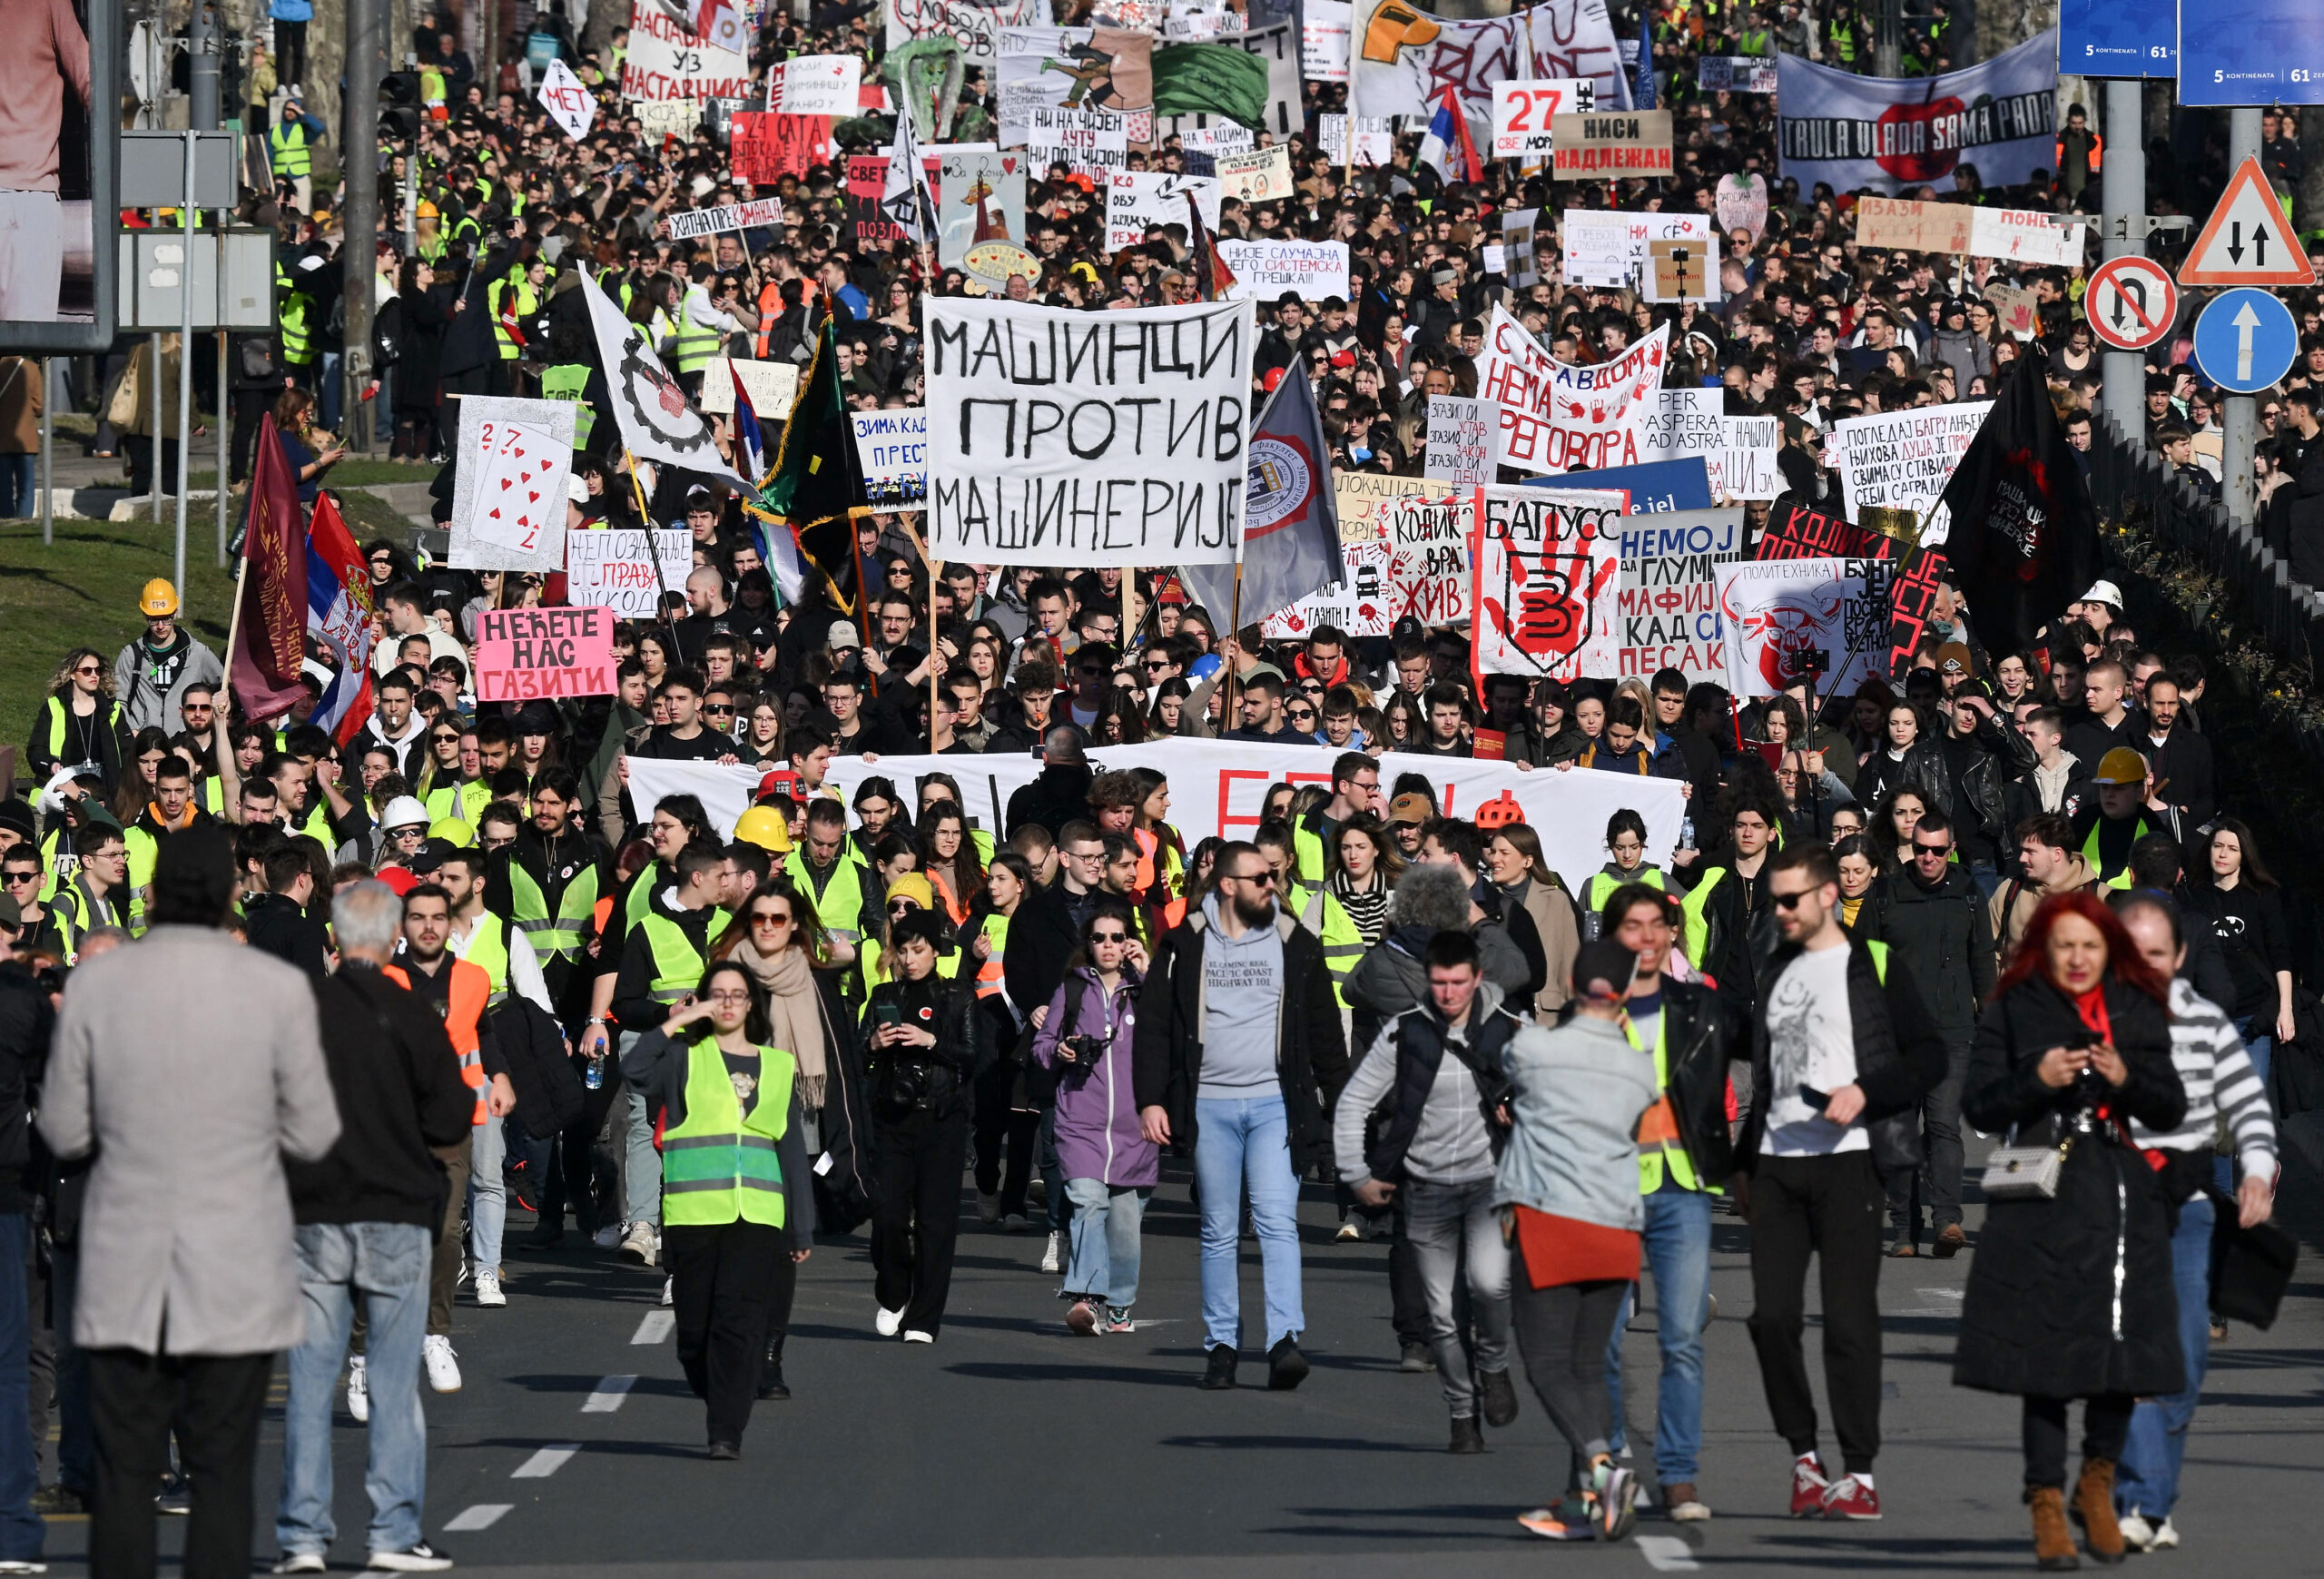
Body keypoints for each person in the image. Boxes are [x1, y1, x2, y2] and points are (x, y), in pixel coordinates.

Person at [41, 827, 341, 1579]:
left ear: (154, 893)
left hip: (126, 1259)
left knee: (123, 1471)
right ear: (230, 893)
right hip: (236, 1259)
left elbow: (65, 1126)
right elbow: (314, 1129)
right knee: (221, 1470)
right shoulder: (273, 989)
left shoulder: (101, 985)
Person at [1955, 892, 2186, 1569]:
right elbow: (1979, 1101)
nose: (2079, 958)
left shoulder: (2135, 1006)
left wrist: (2127, 1075)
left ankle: (2098, 1480)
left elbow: (2170, 1102)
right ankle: (2046, 1500)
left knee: (2123, 1351)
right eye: (2065, 946)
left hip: (2121, 1197)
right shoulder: (2014, 1006)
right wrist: (2037, 1077)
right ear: (2044, 950)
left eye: (2091, 945)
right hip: (2042, 1195)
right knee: (2047, 1359)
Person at [1738, 842, 1946, 1523]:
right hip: (1776, 1166)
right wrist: (1742, 1164)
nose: (1780, 910)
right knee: (1771, 1319)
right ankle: (1804, 1460)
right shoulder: (1773, 969)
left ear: (1828, 895)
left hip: (1850, 1163)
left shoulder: (1874, 963)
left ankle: (1857, 1471)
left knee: (1848, 1324)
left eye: (1791, 898)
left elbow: (1930, 1055)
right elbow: (1767, 1077)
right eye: (1775, 898)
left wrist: (1865, 1090)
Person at [274, 881, 474, 1574]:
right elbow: (451, 1116)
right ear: (392, 938)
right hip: (393, 1210)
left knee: (310, 1378)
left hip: (315, 1211)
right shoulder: (413, 1012)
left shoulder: (299, 1010)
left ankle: (301, 1534)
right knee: (393, 1380)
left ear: (332, 938)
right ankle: (392, 1530)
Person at [1134, 840, 1346, 1391]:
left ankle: (1283, 1343)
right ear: (1228, 885)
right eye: (1260, 878)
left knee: (1278, 1223)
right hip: (1209, 1108)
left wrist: (1340, 1100)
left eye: (1272, 876)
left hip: (1277, 1105)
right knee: (1219, 1230)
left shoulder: (1294, 942)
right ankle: (1222, 1345)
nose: (1271, 885)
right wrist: (1151, 1099)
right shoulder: (1184, 944)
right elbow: (1155, 1025)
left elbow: (1323, 1028)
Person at [2110, 893, 2277, 1554]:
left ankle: (2153, 1500)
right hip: (2114, 1210)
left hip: (2188, 1211)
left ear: (2179, 957)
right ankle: (2140, 1501)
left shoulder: (2207, 1024)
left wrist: (2259, 1169)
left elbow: (2249, 1108)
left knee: (2183, 1363)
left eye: (2158, 953)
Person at [1497, 939, 1659, 1544]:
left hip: (1550, 1217)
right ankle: (1593, 1501)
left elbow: (1507, 1062)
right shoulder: (1639, 1067)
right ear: (1624, 993)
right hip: (1616, 1225)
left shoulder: (1536, 1047)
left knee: (1544, 1362)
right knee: (1589, 1364)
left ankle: (1603, 1466)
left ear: (1569, 979)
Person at [621, 961, 812, 1456]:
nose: (727, 1003)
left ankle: (725, 1430)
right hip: (694, 1214)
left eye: (737, 994)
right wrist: (677, 1021)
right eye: (717, 994)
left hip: (758, 1215)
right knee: (695, 1334)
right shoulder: (686, 1058)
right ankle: (719, 1391)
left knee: (739, 1320)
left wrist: (801, 1227)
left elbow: (791, 1150)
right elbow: (634, 1069)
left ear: (752, 1005)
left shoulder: (776, 1065)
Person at [1598, 882, 1745, 1524]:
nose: (1649, 938)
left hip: (1683, 1189)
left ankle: (1679, 1476)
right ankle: (1606, 1464)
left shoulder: (1700, 1004)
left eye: (1659, 925)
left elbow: (1746, 1069)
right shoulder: (1592, 1012)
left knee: (1681, 1339)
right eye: (1634, 926)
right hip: (1605, 1191)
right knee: (1599, 1342)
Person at [1860, 809, 1994, 1258]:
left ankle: (1948, 1219)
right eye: (1921, 849)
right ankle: (1903, 1229)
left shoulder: (1968, 895)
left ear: (1951, 850)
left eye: (1938, 850)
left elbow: (1982, 962)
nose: (1929, 858)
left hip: (1953, 1031)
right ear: (1910, 849)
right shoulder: (1885, 895)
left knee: (1942, 1126)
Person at [861, 910, 990, 1341]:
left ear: (935, 950)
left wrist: (931, 1041)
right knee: (889, 1217)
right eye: (903, 950)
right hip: (892, 1120)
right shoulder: (882, 994)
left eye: (918, 950)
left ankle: (924, 1318)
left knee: (937, 1223)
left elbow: (974, 1056)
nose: (910, 959)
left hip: (942, 1118)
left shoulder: (958, 996)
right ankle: (894, 1290)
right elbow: (856, 1057)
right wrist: (874, 1043)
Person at [1029, 902, 1156, 1335]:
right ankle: (1084, 1297)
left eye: (1117, 937)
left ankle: (1119, 1304)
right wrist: (1060, 1050)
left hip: (1135, 1126)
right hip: (1080, 1120)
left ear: (1130, 942)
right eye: (1099, 937)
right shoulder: (1072, 989)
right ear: (1088, 943)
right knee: (1086, 1203)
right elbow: (1041, 1046)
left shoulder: (1145, 989)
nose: (1107, 945)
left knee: (1124, 1223)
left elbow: (1176, 1026)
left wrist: (1149, 971)